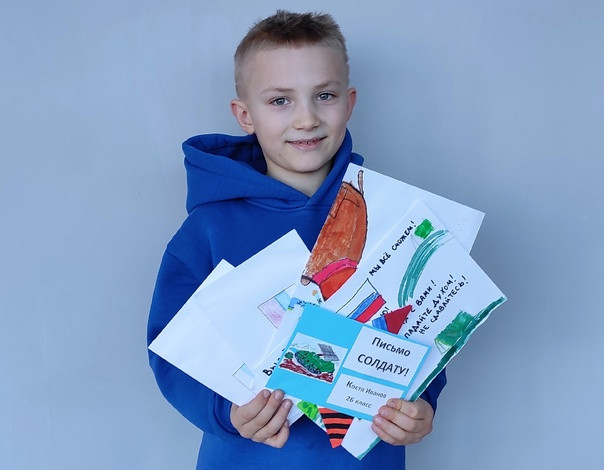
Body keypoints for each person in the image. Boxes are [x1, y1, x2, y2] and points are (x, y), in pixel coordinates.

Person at [147, 10, 446, 469]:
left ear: (349, 103)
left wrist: (422, 407)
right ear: (245, 115)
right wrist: (225, 412)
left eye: (324, 96)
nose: (306, 119)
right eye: (280, 100)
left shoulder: (392, 219)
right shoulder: (207, 230)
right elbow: (171, 352)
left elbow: (426, 333)